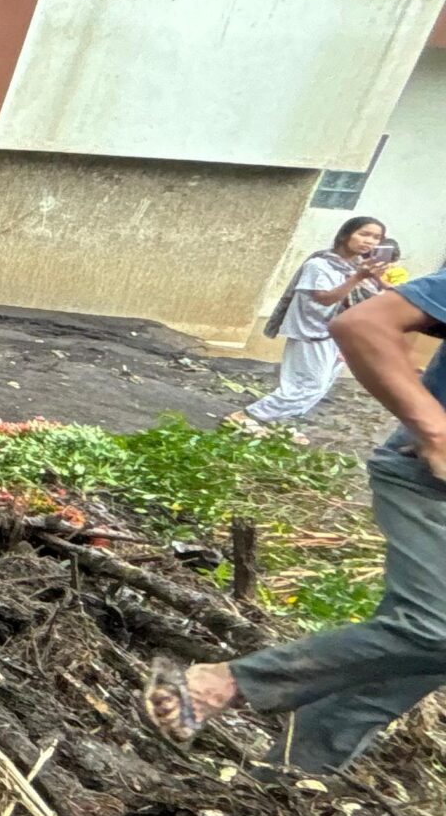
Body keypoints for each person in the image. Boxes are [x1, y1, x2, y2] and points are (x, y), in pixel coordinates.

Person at [143, 269, 446, 773]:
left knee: (406, 665)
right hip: (430, 479)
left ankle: (279, 786)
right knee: (436, 630)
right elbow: (364, 325)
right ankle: (220, 682)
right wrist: (435, 431)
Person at [231, 215, 393, 430]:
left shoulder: (357, 267)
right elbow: (323, 298)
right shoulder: (320, 265)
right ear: (346, 235)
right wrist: (357, 278)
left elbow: (376, 297)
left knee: (320, 386)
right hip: (313, 331)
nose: (370, 241)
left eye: (376, 238)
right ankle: (248, 415)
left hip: (340, 333)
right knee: (308, 384)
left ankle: (280, 424)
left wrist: (377, 278)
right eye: (364, 234)